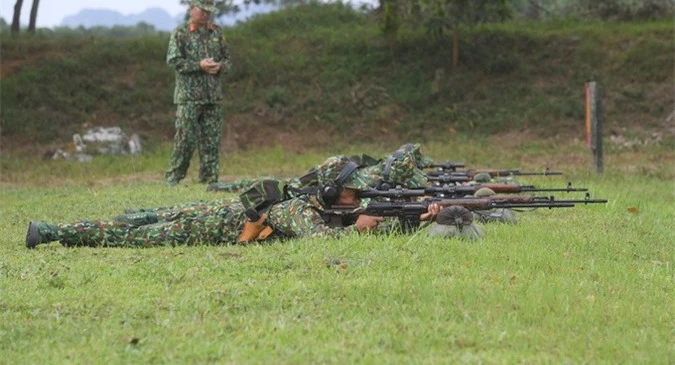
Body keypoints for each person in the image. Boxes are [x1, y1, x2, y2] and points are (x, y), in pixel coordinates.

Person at [25, 156, 441, 249]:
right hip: (214, 227)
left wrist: (412, 220)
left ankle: (132, 217)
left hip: (222, 217)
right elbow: (320, 240)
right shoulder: (301, 210)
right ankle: (52, 232)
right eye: (353, 190)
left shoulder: (322, 205)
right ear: (332, 191)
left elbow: (355, 220)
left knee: (149, 220)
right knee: (135, 236)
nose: (359, 196)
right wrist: (362, 227)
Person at [165, 0, 232, 186]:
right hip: (189, 98)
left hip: (213, 97)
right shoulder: (181, 32)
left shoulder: (216, 32)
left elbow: (227, 60)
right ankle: (174, 179)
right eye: (203, 11)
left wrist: (220, 67)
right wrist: (198, 65)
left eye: (209, 12)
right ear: (192, 9)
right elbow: (174, 61)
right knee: (185, 140)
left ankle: (210, 181)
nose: (206, 15)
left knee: (211, 141)